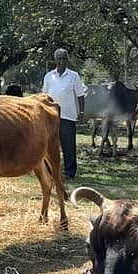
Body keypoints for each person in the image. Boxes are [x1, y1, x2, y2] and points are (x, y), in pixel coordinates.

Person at [42, 48, 86, 180]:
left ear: (67, 60)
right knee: (49, 145)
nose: (61, 61)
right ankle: (49, 171)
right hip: (50, 117)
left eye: (64, 58)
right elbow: (44, 96)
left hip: (68, 117)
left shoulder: (74, 76)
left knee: (68, 146)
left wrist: (81, 111)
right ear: (55, 60)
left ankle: (69, 172)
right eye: (59, 58)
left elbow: (80, 95)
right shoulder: (49, 76)